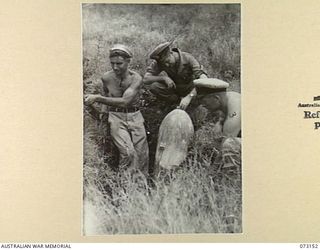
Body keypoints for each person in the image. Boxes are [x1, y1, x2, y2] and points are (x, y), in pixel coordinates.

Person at [84, 44, 149, 176]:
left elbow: (125, 102)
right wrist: (103, 115)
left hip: (135, 116)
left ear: (128, 61)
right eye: (112, 63)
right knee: (127, 151)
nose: (115, 67)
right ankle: (124, 183)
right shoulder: (106, 78)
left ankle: (141, 187)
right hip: (116, 117)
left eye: (119, 63)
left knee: (142, 153)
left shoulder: (136, 78)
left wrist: (98, 98)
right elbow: (107, 94)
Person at [143, 41, 208, 110]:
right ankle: (176, 103)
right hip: (175, 88)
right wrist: (164, 78)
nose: (166, 65)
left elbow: (204, 79)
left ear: (171, 53)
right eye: (164, 64)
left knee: (205, 89)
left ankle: (192, 105)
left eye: (167, 61)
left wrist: (189, 96)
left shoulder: (188, 58)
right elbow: (146, 79)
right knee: (154, 86)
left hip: (190, 88)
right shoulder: (160, 62)